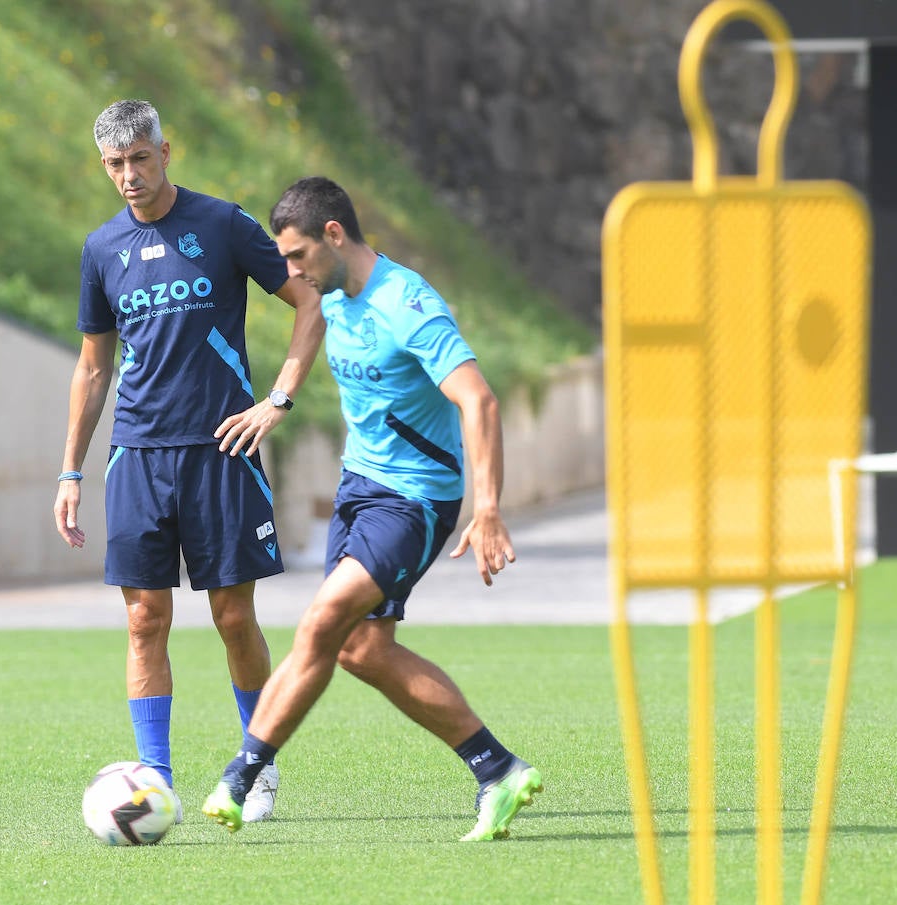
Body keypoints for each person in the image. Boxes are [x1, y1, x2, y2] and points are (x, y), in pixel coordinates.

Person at [201, 176, 542, 841]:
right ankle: (497, 769)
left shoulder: (408, 305)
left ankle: (243, 773)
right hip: (360, 488)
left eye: (298, 257)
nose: (291, 273)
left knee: (323, 617)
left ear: (334, 235)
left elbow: (480, 400)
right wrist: (279, 400)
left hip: (416, 499)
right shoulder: (335, 295)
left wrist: (489, 506)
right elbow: (310, 322)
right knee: (360, 649)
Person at [53, 100, 323, 823]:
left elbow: (309, 302)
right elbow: (92, 367)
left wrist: (278, 401)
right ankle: (154, 780)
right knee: (145, 619)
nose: (129, 175)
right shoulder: (101, 248)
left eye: (140, 158)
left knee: (234, 617)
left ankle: (255, 767)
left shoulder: (222, 225)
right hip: (137, 456)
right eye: (115, 164)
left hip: (222, 451)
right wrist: (70, 471)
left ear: (166, 152)